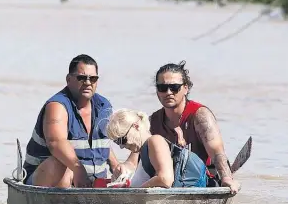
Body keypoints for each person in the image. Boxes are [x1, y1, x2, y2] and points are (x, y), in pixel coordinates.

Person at [131, 61, 240, 194]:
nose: (168, 92)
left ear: (186, 88)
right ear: (157, 91)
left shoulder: (200, 116)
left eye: (174, 87)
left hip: (198, 181)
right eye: (162, 88)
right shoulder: (153, 121)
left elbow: (217, 152)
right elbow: (135, 158)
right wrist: (124, 170)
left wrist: (227, 178)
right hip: (166, 183)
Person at [22, 54, 131, 188]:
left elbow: (103, 142)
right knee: (61, 163)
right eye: (81, 78)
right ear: (68, 79)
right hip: (43, 181)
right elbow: (56, 143)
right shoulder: (57, 106)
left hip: (90, 183)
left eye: (93, 78)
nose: (88, 83)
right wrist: (78, 169)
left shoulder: (104, 106)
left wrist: (115, 166)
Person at [105, 109, 176, 188]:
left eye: (123, 140)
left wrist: (136, 192)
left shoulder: (155, 141)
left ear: (136, 126)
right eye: (117, 142)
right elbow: (131, 164)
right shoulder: (141, 149)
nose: (121, 147)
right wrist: (122, 168)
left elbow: (165, 179)